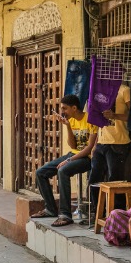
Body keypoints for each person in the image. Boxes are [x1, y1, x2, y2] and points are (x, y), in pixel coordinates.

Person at [31, 95, 98, 227]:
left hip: (87, 158)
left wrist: (69, 160)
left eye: (64, 108)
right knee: (40, 172)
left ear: (74, 108)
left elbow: (89, 148)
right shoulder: (71, 120)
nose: (62, 112)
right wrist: (67, 126)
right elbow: (73, 146)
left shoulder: (90, 120)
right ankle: (50, 209)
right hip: (73, 154)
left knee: (63, 171)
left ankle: (65, 215)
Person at [89, 83, 131, 216]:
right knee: (94, 179)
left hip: (118, 142)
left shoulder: (125, 90)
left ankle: (116, 215)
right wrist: (95, 144)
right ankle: (98, 213)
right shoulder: (100, 92)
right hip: (102, 143)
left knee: (115, 181)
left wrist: (115, 116)